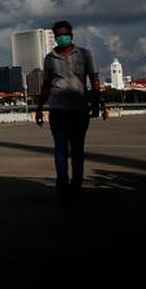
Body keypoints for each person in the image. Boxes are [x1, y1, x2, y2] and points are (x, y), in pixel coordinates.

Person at [35, 21, 104, 199]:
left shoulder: (84, 54)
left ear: (71, 35)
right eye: (59, 36)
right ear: (55, 38)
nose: (62, 38)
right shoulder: (49, 59)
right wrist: (39, 108)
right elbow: (46, 85)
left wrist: (97, 103)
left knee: (77, 149)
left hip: (79, 109)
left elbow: (94, 79)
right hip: (58, 109)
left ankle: (77, 184)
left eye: (65, 34)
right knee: (60, 149)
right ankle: (63, 184)